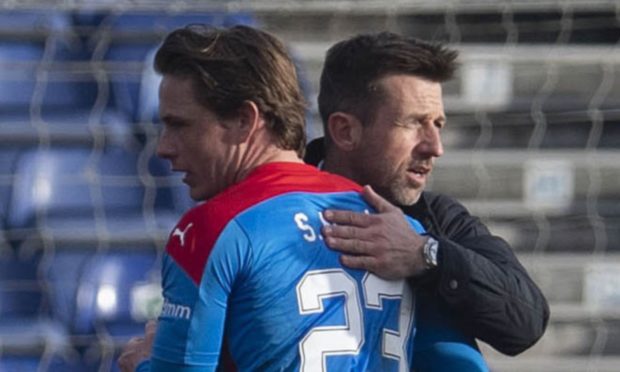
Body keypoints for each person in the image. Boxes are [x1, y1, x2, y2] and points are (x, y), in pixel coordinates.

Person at [118, 24, 429, 371]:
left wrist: (142, 364)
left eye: (179, 125)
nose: (164, 147)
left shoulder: (213, 229)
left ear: (244, 120)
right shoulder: (402, 232)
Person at [304, 31, 550, 366]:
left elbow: (526, 322)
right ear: (346, 131)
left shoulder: (439, 219)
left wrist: (425, 254)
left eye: (438, 124)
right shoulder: (272, 210)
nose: (435, 147)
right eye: (414, 124)